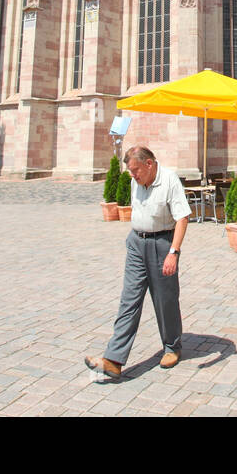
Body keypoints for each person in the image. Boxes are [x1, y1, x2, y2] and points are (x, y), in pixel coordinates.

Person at [85, 146, 190, 379]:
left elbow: (182, 218)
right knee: (129, 298)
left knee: (165, 300)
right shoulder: (135, 178)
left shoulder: (170, 180)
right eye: (130, 172)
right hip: (136, 243)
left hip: (162, 243)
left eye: (136, 171)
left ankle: (172, 347)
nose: (132, 176)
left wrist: (173, 252)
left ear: (149, 164)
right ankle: (113, 359)